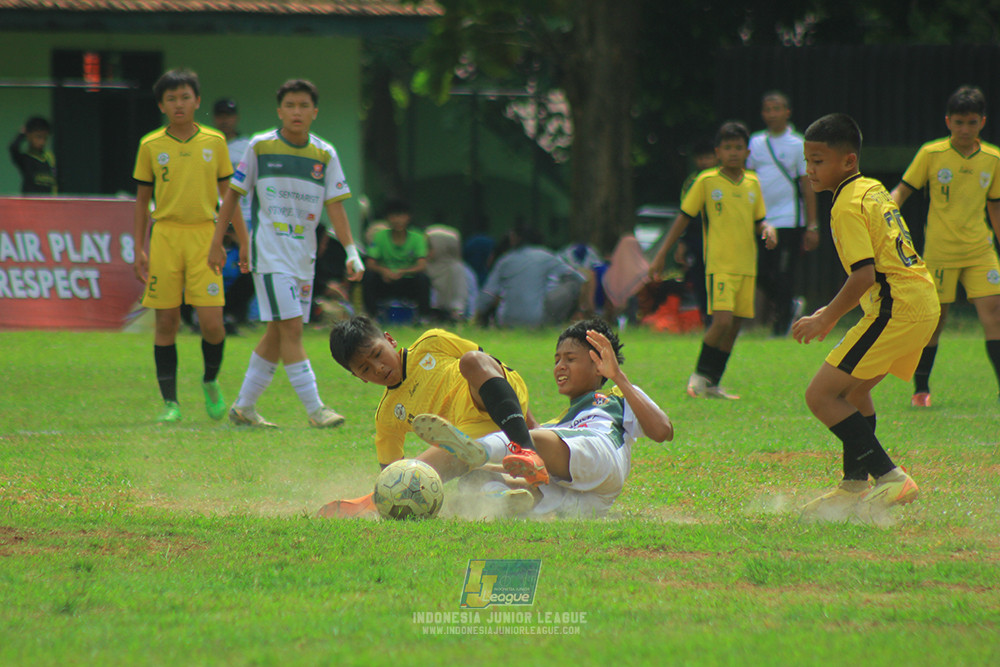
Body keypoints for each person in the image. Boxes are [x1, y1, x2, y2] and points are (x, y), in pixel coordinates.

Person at [793, 113, 939, 521]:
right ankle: (854, 485)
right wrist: (830, 310)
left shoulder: (845, 203)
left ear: (848, 160)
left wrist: (826, 320)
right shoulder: (872, 189)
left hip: (899, 309)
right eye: (808, 161)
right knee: (853, 393)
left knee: (820, 395)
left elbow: (864, 274)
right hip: (919, 303)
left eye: (819, 161)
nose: (810, 170)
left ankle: (890, 476)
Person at [209, 78, 364, 429]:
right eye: (290, 105)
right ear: (280, 111)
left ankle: (244, 407)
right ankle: (316, 409)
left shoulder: (325, 153)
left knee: (277, 334)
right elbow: (232, 195)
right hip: (269, 254)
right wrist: (223, 241)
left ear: (314, 112)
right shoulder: (260, 147)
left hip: (303, 258)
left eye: (303, 105)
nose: (297, 112)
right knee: (292, 330)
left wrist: (352, 251)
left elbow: (336, 206)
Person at [411, 318, 674, 518]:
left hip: (600, 458)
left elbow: (663, 431)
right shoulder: (556, 426)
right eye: (557, 359)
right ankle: (500, 498)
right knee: (476, 480)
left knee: (525, 440)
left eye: (570, 359)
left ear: (599, 364)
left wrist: (618, 376)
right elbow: (530, 461)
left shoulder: (616, 396)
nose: (560, 366)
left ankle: (479, 449)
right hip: (583, 503)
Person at [319, 315, 543, 517]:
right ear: (359, 377)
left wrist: (532, 430)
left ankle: (525, 450)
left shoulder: (432, 342)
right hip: (465, 438)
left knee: (472, 361)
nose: (377, 368)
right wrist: (389, 494)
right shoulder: (387, 415)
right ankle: (497, 491)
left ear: (390, 340)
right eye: (365, 369)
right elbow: (393, 475)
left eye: (377, 354)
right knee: (412, 475)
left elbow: (491, 368)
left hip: (486, 399)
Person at [133, 68, 238, 423]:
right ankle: (171, 403)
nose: (179, 104)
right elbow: (141, 200)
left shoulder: (214, 142)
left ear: (197, 101)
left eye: (185, 97)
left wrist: (235, 241)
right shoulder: (151, 145)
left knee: (212, 323)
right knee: (167, 322)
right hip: (164, 236)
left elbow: (229, 196)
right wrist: (138, 247)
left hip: (204, 237)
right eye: (171, 99)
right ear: (162, 105)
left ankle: (210, 380)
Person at [649, 121, 777, 399]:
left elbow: (759, 220)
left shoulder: (753, 183)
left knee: (734, 326)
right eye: (728, 147)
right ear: (718, 151)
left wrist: (768, 229)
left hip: (747, 266)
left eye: (738, 147)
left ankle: (712, 382)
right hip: (720, 265)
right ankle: (697, 377)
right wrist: (661, 255)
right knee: (721, 322)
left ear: (747, 151)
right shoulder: (706, 181)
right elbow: (683, 218)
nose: (733, 152)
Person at [890, 85, 1000, 407]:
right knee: (935, 320)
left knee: (994, 314)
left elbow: (995, 205)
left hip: (980, 250)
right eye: (958, 123)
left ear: (982, 122)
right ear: (948, 121)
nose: (965, 129)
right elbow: (902, 191)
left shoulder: (994, 158)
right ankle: (921, 390)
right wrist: (886, 215)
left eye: (971, 123)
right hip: (939, 251)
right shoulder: (931, 153)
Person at [747, 91, 820, 336]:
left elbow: (806, 185)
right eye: (767, 109)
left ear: (787, 112)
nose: (772, 114)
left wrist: (812, 224)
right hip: (762, 220)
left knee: (784, 273)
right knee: (762, 272)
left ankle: (779, 328)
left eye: (777, 108)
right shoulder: (755, 142)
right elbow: (748, 178)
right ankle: (789, 307)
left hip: (790, 219)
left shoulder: (798, 143)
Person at [476, 226, 584, 328]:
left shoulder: (505, 260)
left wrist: (476, 316)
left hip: (506, 319)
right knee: (572, 285)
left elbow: (488, 293)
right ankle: (562, 323)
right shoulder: (546, 256)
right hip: (536, 319)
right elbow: (578, 278)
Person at [361, 199, 432, 320]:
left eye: (402, 216)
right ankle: (371, 316)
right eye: (394, 216)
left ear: (408, 218)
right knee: (368, 276)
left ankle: (423, 317)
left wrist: (402, 272)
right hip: (385, 280)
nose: (398, 220)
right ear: (388, 218)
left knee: (423, 279)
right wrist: (384, 271)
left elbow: (422, 265)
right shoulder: (379, 236)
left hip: (407, 280)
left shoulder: (418, 237)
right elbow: (370, 263)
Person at [8, 116, 57, 194]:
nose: (42, 142)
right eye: (38, 137)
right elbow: (13, 148)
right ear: (29, 136)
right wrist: (22, 133)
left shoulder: (49, 157)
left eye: (45, 138)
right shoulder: (25, 159)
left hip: (48, 202)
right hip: (30, 203)